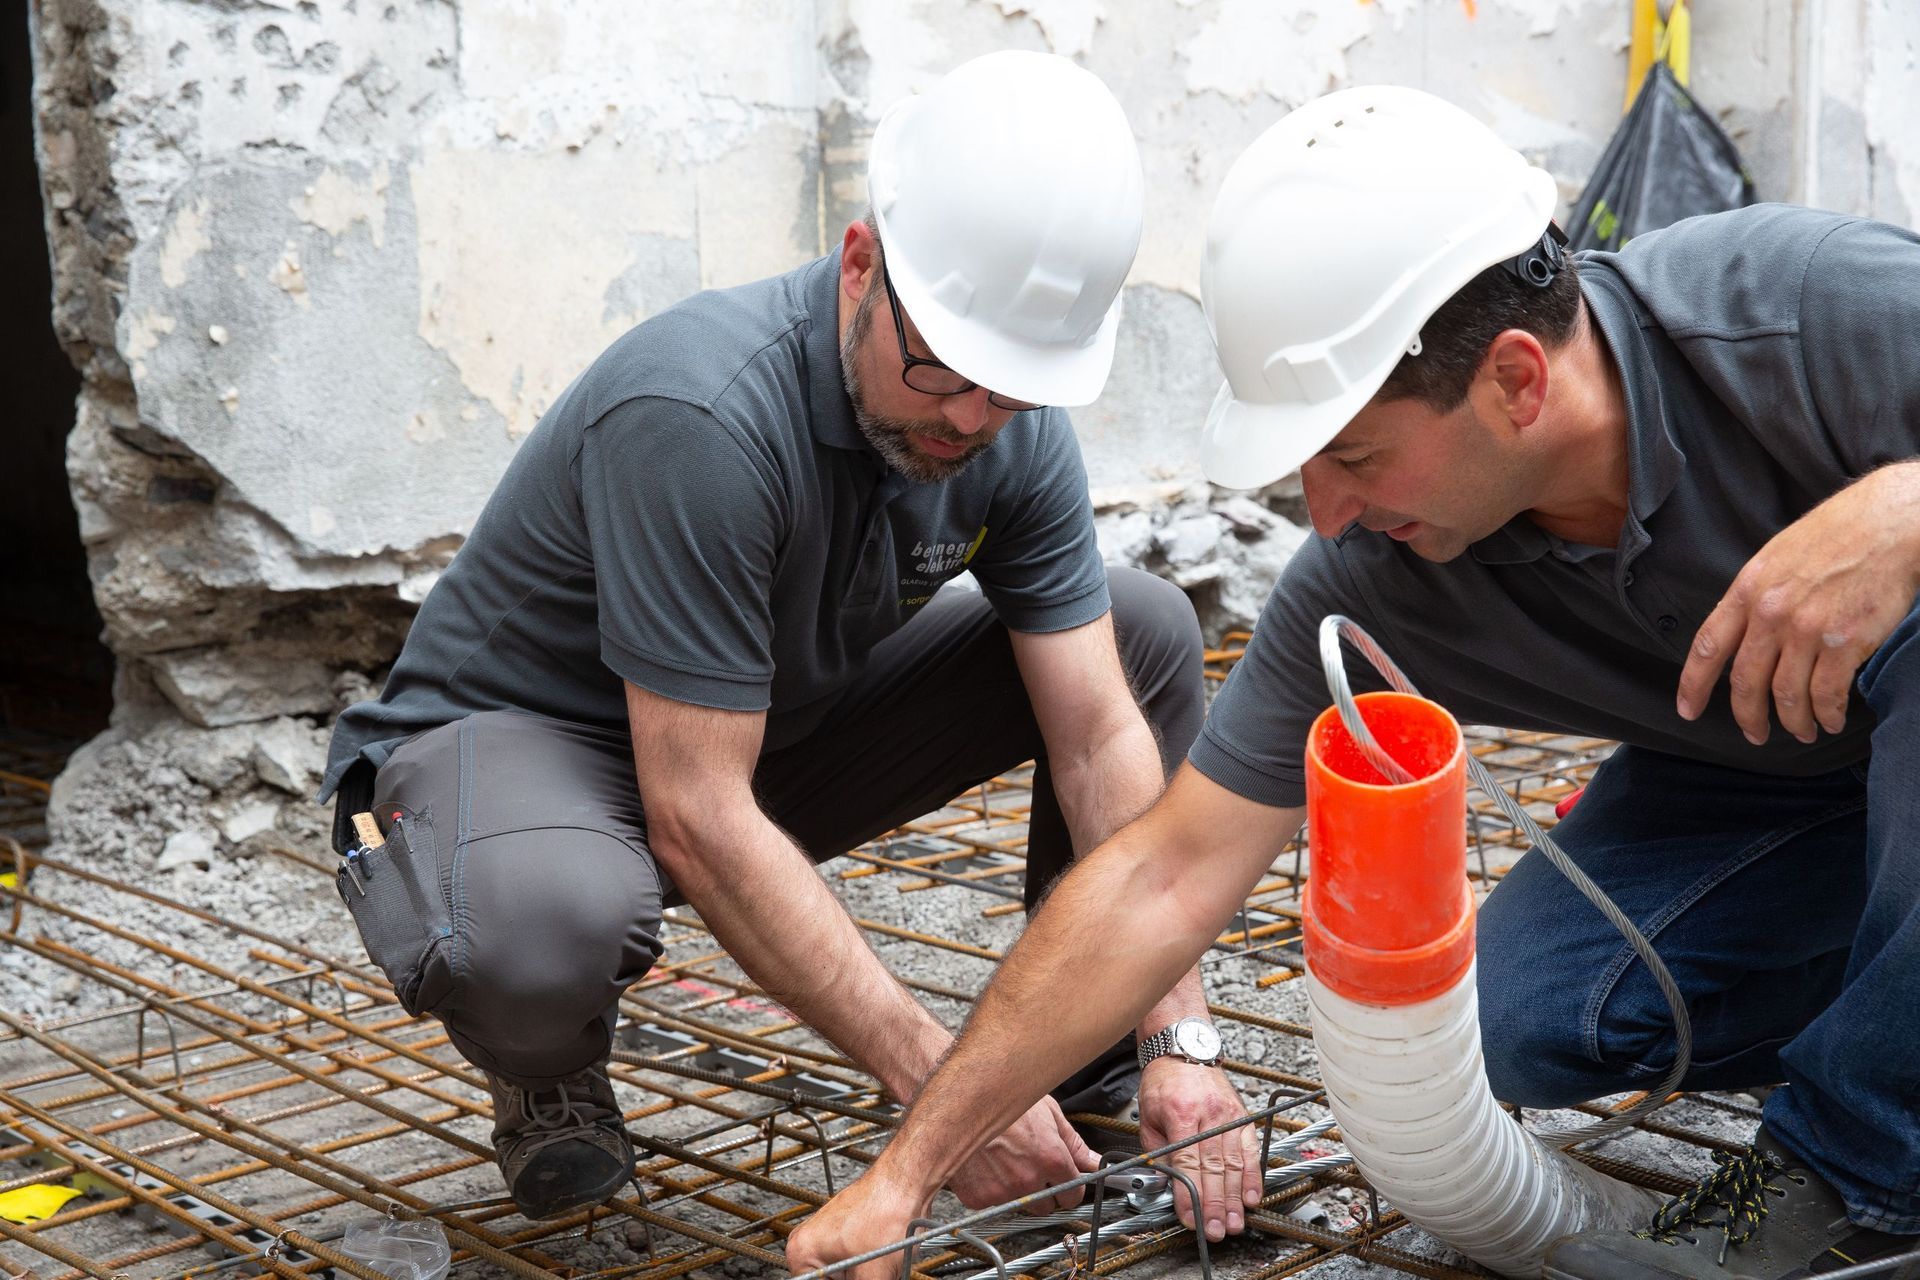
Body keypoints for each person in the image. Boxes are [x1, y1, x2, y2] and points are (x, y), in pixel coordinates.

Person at [787, 85, 1920, 1280]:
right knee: (1508, 1022)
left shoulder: (1801, 310)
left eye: (1353, 454)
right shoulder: (1380, 568)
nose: (1325, 512)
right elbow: (1164, 872)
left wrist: (1903, 511)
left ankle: (1851, 1158)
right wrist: (902, 1175)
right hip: (1779, 793)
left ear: (1518, 382)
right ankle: (1893, 1017)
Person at [316, 50, 1255, 1224]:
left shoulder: (1003, 423)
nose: (972, 418)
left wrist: (1182, 1028)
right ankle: (547, 1069)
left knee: (1144, 632)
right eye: (941, 370)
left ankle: (1106, 1057)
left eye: (1011, 388)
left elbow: (1097, 728)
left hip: (748, 735)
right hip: (527, 753)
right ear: (860, 263)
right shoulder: (701, 412)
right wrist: (946, 1099)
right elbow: (700, 815)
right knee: (546, 919)